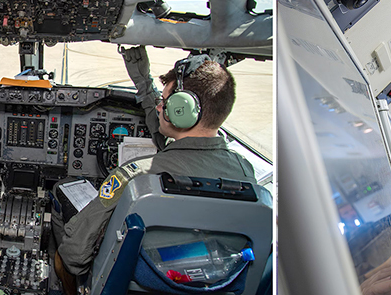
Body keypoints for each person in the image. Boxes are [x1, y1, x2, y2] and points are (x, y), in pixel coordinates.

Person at [56, 46, 256, 278]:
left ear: (181, 110)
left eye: (164, 101)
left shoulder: (135, 177)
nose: (160, 107)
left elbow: (75, 256)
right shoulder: (246, 174)